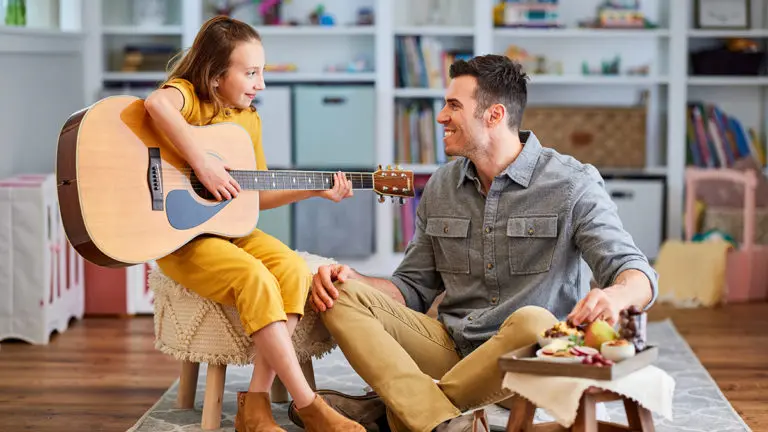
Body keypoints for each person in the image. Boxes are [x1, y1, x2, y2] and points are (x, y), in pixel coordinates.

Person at [302, 54, 659, 432]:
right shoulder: (442, 185)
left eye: (454, 106)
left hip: (528, 361)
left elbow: (634, 271)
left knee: (534, 320)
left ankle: (398, 411)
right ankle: (434, 417)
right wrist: (356, 279)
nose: (441, 116)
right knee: (340, 295)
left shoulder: (572, 183)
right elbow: (412, 287)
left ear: (495, 115)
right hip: (451, 351)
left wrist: (616, 297)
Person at [144, 15, 366, 432]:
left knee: (292, 272)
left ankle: (256, 404)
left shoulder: (249, 120)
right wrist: (201, 165)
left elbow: (257, 195)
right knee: (254, 278)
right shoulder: (188, 96)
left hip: (231, 231)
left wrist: (315, 189)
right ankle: (310, 404)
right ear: (214, 75)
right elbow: (156, 105)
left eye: (262, 71)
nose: (261, 83)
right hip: (181, 239)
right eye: (250, 72)